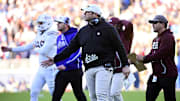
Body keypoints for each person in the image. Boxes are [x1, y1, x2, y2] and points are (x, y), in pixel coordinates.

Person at [42, 4, 130, 101]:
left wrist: (125, 64)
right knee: (93, 97)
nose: (84, 14)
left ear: (95, 14)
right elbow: (70, 49)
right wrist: (55, 59)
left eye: (87, 12)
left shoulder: (108, 28)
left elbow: (119, 47)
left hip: (104, 66)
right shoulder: (83, 31)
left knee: (101, 96)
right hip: (89, 67)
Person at [1, 14, 59, 101]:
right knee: (33, 92)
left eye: (41, 23)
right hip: (41, 68)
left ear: (47, 23)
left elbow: (44, 50)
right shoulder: (40, 33)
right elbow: (28, 46)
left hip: (51, 69)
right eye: (38, 23)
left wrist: (35, 47)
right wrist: (11, 49)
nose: (39, 25)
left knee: (55, 95)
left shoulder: (52, 33)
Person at [136, 15, 178, 101]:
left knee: (170, 99)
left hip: (167, 74)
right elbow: (153, 54)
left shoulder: (168, 37)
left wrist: (144, 59)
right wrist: (138, 59)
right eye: (152, 23)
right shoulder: (156, 39)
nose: (153, 25)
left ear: (163, 24)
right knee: (149, 97)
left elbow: (161, 54)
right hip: (157, 74)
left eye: (155, 22)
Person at [52, 16, 87, 101]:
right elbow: (59, 53)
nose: (57, 25)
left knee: (78, 94)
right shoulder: (59, 37)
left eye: (60, 23)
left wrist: (66, 64)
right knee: (56, 95)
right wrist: (57, 63)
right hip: (63, 70)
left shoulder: (75, 35)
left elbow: (78, 53)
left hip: (74, 70)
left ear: (66, 24)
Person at [108, 17, 134, 101]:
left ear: (118, 26)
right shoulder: (108, 36)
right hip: (110, 68)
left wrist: (120, 22)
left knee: (114, 92)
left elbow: (129, 25)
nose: (110, 28)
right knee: (109, 95)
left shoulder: (125, 35)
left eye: (113, 25)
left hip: (121, 68)